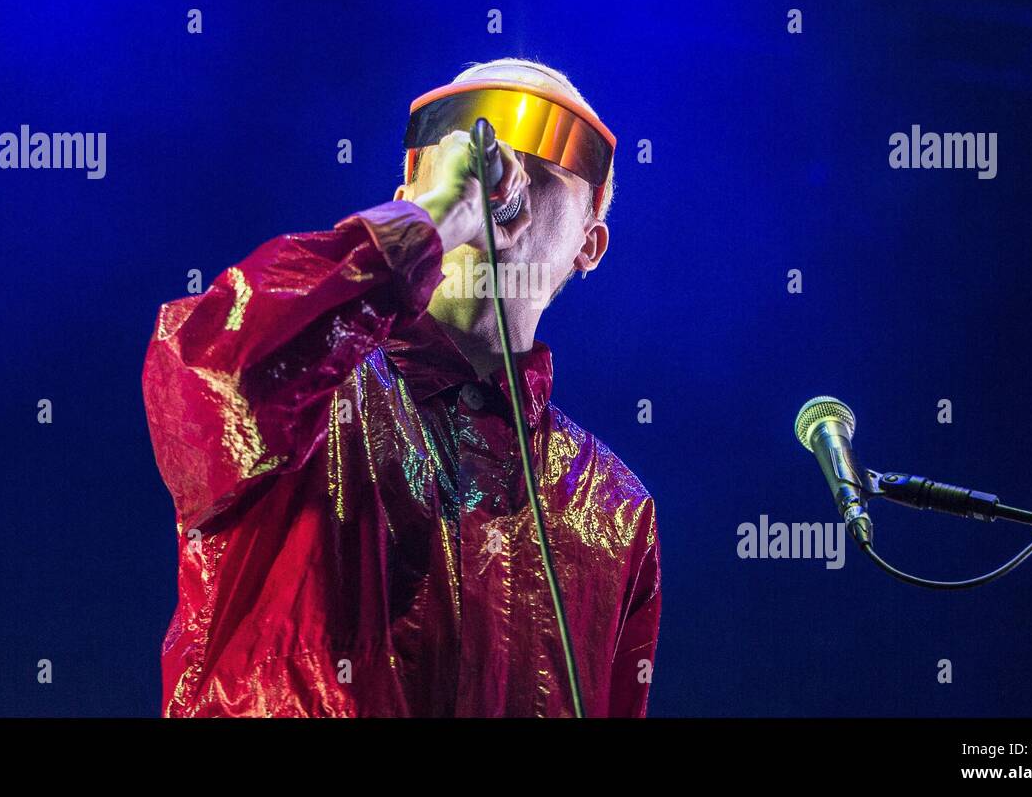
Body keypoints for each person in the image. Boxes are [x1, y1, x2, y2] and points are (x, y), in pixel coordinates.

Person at [141, 58, 660, 716]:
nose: (509, 167)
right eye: (471, 139)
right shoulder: (310, 395)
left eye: (556, 142)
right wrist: (433, 218)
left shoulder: (616, 506)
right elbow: (214, 370)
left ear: (591, 243)